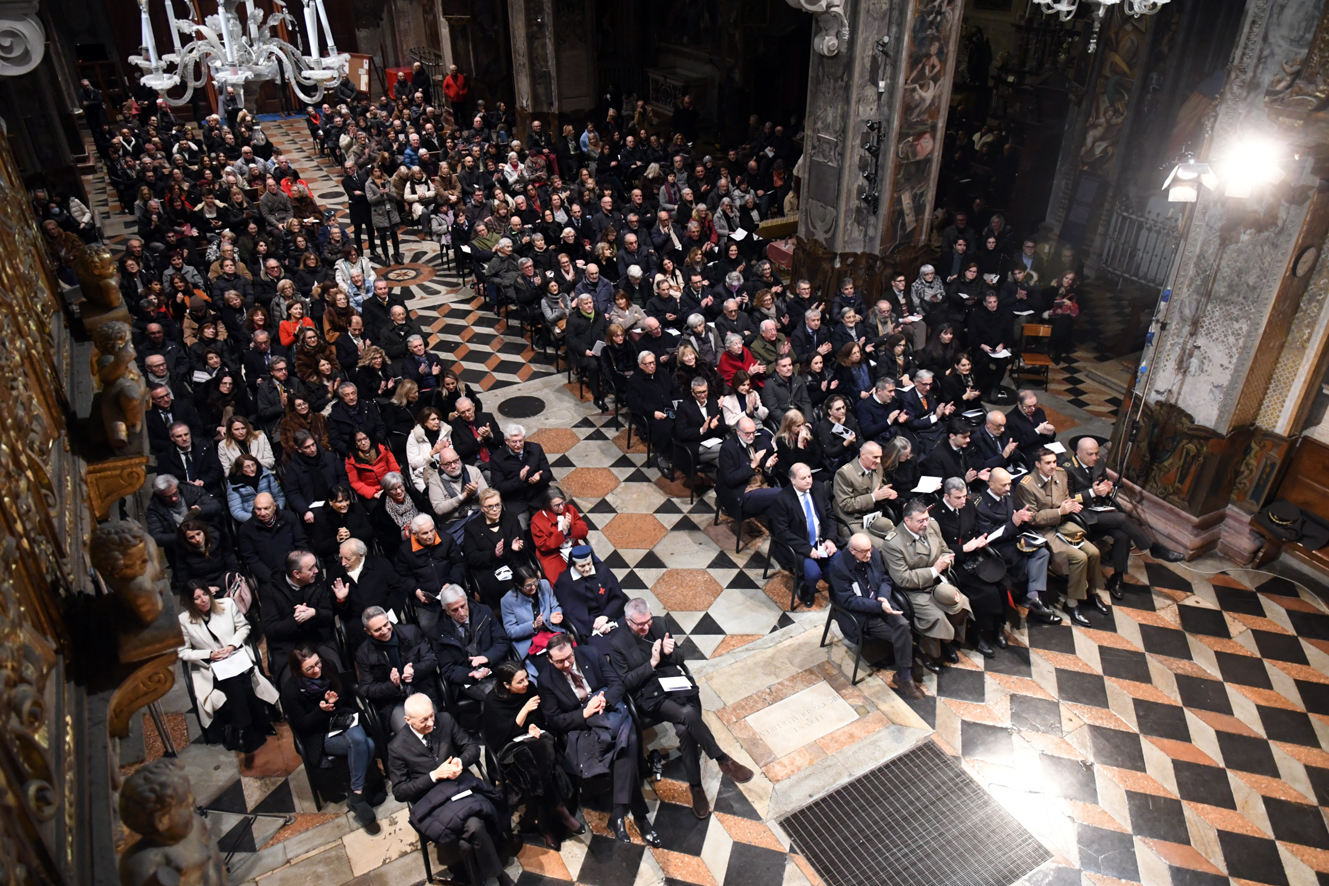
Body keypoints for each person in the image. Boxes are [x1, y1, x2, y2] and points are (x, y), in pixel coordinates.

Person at [608, 599, 753, 820]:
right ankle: (722, 759)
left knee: (685, 730)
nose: (646, 627)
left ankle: (696, 787)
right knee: (687, 715)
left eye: (648, 621)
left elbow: (680, 657)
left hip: (674, 684)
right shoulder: (617, 642)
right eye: (640, 624)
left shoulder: (660, 624)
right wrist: (652, 662)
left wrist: (669, 653)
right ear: (628, 621)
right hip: (650, 695)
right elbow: (626, 682)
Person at [538, 634, 659, 846]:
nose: (566, 664)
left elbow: (617, 685)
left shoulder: (590, 653)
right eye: (559, 661)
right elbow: (554, 721)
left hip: (609, 713)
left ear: (573, 649)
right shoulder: (546, 680)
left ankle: (620, 814)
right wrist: (584, 714)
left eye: (569, 657)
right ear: (549, 659)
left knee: (627, 740)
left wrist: (604, 701)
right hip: (584, 726)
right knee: (628, 742)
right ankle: (637, 818)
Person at [389, 693, 512, 886]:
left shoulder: (444, 720)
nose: (431, 723)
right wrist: (434, 776)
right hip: (432, 797)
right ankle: (499, 875)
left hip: (459, 785)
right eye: (424, 720)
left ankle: (476, 880)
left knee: (467, 841)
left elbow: (472, 747)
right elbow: (400, 791)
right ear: (408, 720)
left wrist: (459, 762)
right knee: (475, 825)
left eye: (432, 716)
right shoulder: (397, 747)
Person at [1062, 436, 1184, 597]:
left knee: (1123, 535)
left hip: (1100, 510)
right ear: (1078, 453)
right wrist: (1092, 492)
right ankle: (1153, 548)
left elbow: (1106, 483)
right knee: (1122, 518)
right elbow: (1066, 497)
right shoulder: (1067, 469)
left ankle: (1118, 577)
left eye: (1096, 453)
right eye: (1090, 454)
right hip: (1082, 515)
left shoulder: (1099, 462)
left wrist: (1108, 489)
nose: (1095, 457)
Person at [281, 644, 382, 832]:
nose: (316, 670)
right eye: (309, 668)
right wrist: (321, 710)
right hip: (319, 733)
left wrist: (334, 702)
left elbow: (345, 696)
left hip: (341, 718)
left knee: (362, 742)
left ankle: (356, 792)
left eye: (317, 663)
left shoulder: (328, 667)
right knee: (365, 744)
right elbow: (302, 725)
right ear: (298, 670)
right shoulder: (291, 691)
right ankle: (361, 791)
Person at [481, 661, 581, 849]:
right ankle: (560, 810)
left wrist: (533, 726)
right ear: (506, 685)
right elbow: (500, 737)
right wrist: (525, 710)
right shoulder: (493, 702)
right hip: (507, 750)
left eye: (526, 678)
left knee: (540, 764)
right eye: (520, 681)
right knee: (537, 768)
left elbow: (539, 718)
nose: (526, 683)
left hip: (532, 741)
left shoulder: (530, 690)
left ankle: (546, 825)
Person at [177, 583, 278, 751]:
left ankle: (243, 728)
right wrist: (209, 654)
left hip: (235, 655)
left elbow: (244, 626)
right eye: (197, 598)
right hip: (211, 666)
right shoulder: (184, 620)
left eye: (205, 594)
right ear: (189, 602)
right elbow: (183, 652)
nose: (204, 600)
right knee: (236, 682)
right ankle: (260, 723)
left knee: (238, 679)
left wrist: (232, 646)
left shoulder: (227, 604)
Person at [1015, 448, 1108, 627]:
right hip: (1043, 531)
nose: (1052, 466)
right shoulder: (1026, 485)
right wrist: (1059, 511)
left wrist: (1070, 505)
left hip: (1063, 525)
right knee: (1079, 557)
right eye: (1048, 463)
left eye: (1054, 462)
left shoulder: (1061, 474)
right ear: (1037, 464)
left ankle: (1092, 593)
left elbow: (1065, 497)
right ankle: (1072, 603)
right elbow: (1032, 518)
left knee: (1094, 552)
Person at [826, 533, 928, 697]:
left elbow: (885, 578)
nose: (869, 554)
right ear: (852, 551)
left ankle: (905, 670)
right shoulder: (839, 567)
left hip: (881, 603)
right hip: (862, 614)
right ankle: (904, 676)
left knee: (903, 626)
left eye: (870, 549)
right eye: (864, 552)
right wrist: (879, 606)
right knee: (903, 636)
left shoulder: (874, 554)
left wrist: (883, 598)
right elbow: (849, 601)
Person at [882, 499, 974, 668]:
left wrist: (946, 562)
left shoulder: (933, 526)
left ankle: (946, 640)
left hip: (939, 582)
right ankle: (928, 651)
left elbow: (946, 550)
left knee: (961, 604)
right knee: (935, 617)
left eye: (926, 518)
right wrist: (934, 570)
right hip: (914, 590)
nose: (925, 524)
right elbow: (902, 578)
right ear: (907, 520)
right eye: (920, 521)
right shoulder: (893, 544)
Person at [976, 467, 1060, 624]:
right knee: (1032, 560)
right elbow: (988, 537)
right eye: (1003, 485)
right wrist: (1013, 523)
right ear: (991, 484)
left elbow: (1015, 516)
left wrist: (1022, 519)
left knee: (1043, 552)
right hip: (997, 548)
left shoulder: (1007, 496)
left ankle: (1033, 597)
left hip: (1014, 539)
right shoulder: (981, 506)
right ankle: (1035, 602)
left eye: (1009, 484)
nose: (1008, 488)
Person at [933, 477, 1006, 656]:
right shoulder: (935, 515)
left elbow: (974, 529)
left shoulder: (968, 505)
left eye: (964, 496)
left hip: (974, 555)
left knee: (1002, 584)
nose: (963, 501)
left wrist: (979, 541)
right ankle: (977, 633)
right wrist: (963, 549)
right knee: (984, 591)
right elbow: (936, 548)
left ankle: (998, 626)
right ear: (947, 496)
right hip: (954, 562)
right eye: (958, 498)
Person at [354, 606, 440, 733]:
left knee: (432, 724)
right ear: (368, 631)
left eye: (386, 624)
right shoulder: (363, 654)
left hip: (421, 690)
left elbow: (431, 660)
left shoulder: (411, 632)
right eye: (377, 630)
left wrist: (414, 671)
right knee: (410, 733)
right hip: (393, 702)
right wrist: (392, 685)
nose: (384, 631)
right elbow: (366, 689)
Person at [261, 550, 339, 683]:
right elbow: (270, 628)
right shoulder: (270, 590)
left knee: (336, 673)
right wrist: (296, 620)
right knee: (291, 684)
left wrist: (314, 613)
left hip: (318, 640)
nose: (316, 571)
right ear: (296, 574)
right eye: (311, 568)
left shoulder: (318, 582)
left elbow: (328, 614)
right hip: (287, 647)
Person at [769, 463, 837, 605]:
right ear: (793, 480)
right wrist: (807, 549)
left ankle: (834, 588)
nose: (808, 481)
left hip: (821, 539)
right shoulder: (782, 499)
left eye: (809, 476)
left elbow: (830, 514)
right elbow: (782, 532)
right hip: (799, 545)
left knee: (840, 562)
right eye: (803, 478)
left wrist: (830, 539)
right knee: (813, 573)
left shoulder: (818, 488)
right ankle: (807, 591)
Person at [433, 584, 510, 701]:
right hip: (468, 678)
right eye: (454, 610)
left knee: (517, 685)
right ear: (446, 610)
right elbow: (448, 669)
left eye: (463, 606)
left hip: (494, 666)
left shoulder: (484, 612)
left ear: (467, 600)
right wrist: (471, 674)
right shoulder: (439, 632)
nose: (461, 612)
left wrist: (487, 657)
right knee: (494, 695)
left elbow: (502, 641)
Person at [463, 488, 526, 609]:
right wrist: (494, 553)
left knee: (525, 581)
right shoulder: (472, 527)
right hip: (489, 569)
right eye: (489, 506)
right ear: (482, 508)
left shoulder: (511, 518)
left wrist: (517, 548)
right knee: (504, 588)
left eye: (497, 505)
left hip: (512, 562)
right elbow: (472, 558)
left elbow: (525, 545)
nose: (495, 509)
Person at [500, 564, 567, 674]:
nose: (533, 587)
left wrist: (554, 615)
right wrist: (533, 625)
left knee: (567, 655)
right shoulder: (507, 601)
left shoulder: (544, 585)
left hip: (551, 632)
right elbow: (511, 631)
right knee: (550, 669)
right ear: (518, 586)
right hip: (530, 642)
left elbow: (555, 605)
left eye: (535, 582)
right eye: (528, 585)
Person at [627, 350, 681, 477]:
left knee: (684, 421)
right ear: (641, 365)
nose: (652, 366)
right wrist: (653, 413)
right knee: (664, 428)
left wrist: (677, 404)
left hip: (668, 409)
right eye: (648, 364)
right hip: (649, 414)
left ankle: (679, 454)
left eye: (653, 362)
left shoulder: (662, 373)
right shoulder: (634, 381)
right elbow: (635, 404)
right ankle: (662, 458)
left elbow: (674, 391)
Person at [831, 441, 898, 544]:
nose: (879, 461)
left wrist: (885, 493)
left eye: (880, 457)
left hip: (874, 516)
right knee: (881, 545)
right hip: (853, 521)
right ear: (863, 455)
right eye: (875, 457)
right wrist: (873, 497)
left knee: (898, 539)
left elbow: (877, 486)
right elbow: (846, 504)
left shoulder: (877, 467)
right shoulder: (844, 474)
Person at [237, 492, 310, 585]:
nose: (262, 513)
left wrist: (298, 569)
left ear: (274, 506)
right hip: (270, 578)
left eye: (266, 508)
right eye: (258, 509)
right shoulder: (246, 529)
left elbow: (302, 544)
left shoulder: (289, 518)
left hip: (296, 572)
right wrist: (270, 578)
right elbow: (251, 558)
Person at [717, 416, 781, 519]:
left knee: (779, 511)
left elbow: (769, 474)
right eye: (747, 433)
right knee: (782, 494)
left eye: (753, 432)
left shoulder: (758, 442)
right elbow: (730, 479)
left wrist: (767, 468)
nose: (751, 436)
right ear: (738, 431)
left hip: (762, 486)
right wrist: (751, 466)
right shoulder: (728, 448)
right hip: (743, 493)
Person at [529, 487, 589, 583]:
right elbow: (543, 545)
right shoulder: (537, 520)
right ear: (548, 505)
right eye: (557, 505)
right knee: (562, 581)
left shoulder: (570, 509)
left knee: (591, 571)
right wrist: (562, 533)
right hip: (552, 555)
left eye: (562, 502)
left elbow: (584, 531)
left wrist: (570, 529)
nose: (561, 507)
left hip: (574, 548)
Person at [489, 424, 552, 513]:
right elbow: (498, 487)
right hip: (515, 501)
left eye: (520, 441)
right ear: (506, 441)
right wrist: (519, 479)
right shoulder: (497, 458)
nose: (518, 445)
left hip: (537, 496)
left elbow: (548, 473)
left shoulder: (535, 449)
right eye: (514, 442)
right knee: (518, 522)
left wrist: (539, 478)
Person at [920, 419, 990, 493]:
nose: (968, 440)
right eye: (964, 437)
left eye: (968, 436)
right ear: (952, 436)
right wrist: (964, 480)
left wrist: (978, 474)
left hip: (975, 490)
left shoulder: (970, 447)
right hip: (954, 495)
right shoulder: (937, 456)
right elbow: (940, 484)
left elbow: (978, 464)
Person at [674, 375, 727, 471]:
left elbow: (723, 427)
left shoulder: (713, 402)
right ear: (692, 393)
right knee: (728, 449)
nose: (703, 395)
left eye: (704, 391)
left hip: (713, 442)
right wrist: (701, 430)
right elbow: (681, 433)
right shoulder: (684, 407)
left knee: (725, 462)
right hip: (696, 446)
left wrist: (713, 427)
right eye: (699, 393)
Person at [225, 454, 284, 522]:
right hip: (251, 518)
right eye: (247, 467)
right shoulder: (234, 483)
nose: (252, 469)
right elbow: (236, 511)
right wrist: (256, 519)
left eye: (253, 465)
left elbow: (279, 497)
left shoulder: (265, 474)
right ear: (240, 469)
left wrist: (275, 512)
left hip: (273, 514)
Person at [1007, 390, 1058, 464]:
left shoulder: (1039, 412)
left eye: (1034, 405)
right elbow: (1018, 444)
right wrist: (1037, 431)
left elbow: (1050, 437)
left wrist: (1050, 433)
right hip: (1030, 454)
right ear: (1019, 404)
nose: (1033, 409)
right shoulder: (1010, 419)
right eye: (1028, 406)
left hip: (1046, 449)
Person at [762, 354, 812, 426]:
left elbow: (806, 402)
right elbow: (773, 410)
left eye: (790, 365)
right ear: (777, 369)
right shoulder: (769, 385)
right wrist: (792, 423)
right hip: (784, 422)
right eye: (784, 366)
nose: (788, 368)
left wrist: (808, 422)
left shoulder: (798, 380)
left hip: (800, 417)